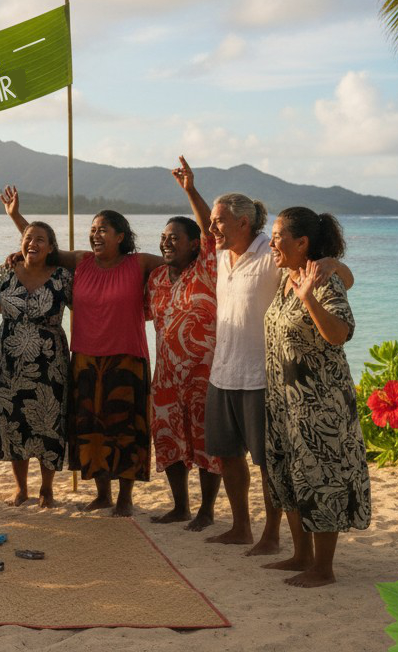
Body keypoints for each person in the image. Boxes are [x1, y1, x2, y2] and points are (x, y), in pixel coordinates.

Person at [203, 188, 353, 555]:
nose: (211, 229)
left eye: (219, 220)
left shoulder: (273, 257)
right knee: (235, 457)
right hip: (227, 371)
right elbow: (206, 225)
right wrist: (191, 190)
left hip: (269, 381)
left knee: (274, 466)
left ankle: (273, 537)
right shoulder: (227, 257)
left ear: (243, 222)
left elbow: (342, 286)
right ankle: (246, 530)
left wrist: (331, 264)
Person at [3, 187, 164, 517]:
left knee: (126, 429)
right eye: (92, 230)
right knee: (91, 430)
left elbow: (181, 263)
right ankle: (102, 494)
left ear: (121, 236)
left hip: (128, 357)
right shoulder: (82, 262)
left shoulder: (139, 263)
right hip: (85, 358)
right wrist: (15, 217)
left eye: (103, 229)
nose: (95, 235)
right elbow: (39, 247)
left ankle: (125, 498)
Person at [262, 207, 370, 587]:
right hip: (284, 401)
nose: (272, 242)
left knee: (322, 479)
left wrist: (310, 297)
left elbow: (339, 334)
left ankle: (323, 568)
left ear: (302, 242)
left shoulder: (323, 281)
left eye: (278, 236)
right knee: (290, 476)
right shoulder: (286, 276)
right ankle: (300, 555)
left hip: (319, 404)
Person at [147, 157, 221, 531]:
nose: (166, 243)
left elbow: (211, 230)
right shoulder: (157, 278)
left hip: (204, 375)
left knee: (206, 445)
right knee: (169, 441)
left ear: (195, 245)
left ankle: (207, 511)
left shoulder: (207, 268)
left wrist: (190, 190)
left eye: (175, 238)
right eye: (163, 238)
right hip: (166, 377)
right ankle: (180, 506)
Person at [0, 220, 72, 508]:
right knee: (14, 423)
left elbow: (89, 307)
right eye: (28, 238)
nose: (32, 243)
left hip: (50, 360)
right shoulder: (6, 271)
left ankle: (47, 489)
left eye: (40, 240)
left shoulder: (62, 276)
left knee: (49, 423)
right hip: (10, 360)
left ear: (51, 247)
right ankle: (21, 488)